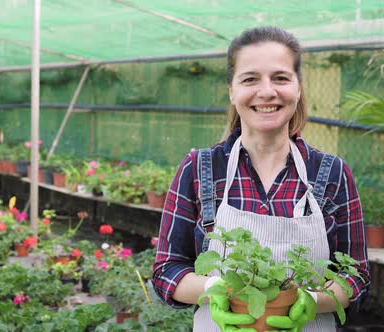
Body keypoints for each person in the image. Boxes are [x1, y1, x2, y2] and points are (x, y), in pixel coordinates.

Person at [153, 26, 370, 331]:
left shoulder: (332, 173)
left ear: (298, 88)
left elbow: (356, 277)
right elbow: (166, 270)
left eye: (280, 78)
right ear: (232, 90)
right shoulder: (199, 169)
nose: (267, 91)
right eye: (250, 78)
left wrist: (308, 301)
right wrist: (216, 290)